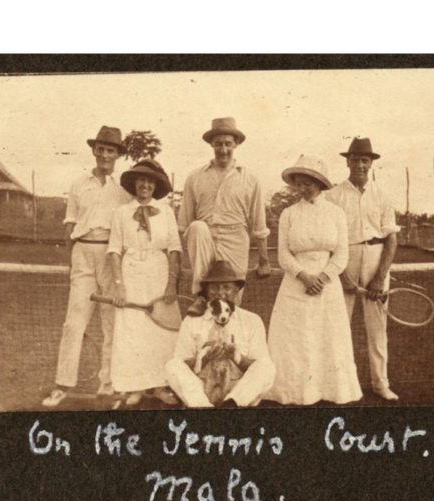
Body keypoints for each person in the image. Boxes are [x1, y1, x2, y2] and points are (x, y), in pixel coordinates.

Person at [43, 126, 132, 407]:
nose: (105, 155)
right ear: (94, 151)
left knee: (111, 322)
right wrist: (72, 261)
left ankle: (108, 384)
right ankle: (62, 384)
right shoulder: (78, 184)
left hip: (110, 256)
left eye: (111, 150)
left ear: (118, 155)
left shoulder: (123, 192)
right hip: (82, 254)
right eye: (101, 149)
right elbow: (70, 224)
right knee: (74, 322)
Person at [264, 155, 362, 405]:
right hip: (295, 283)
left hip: (327, 285)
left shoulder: (336, 213)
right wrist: (304, 276)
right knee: (295, 338)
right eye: (298, 183)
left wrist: (324, 276)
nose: (302, 188)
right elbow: (283, 254)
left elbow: (341, 253)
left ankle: (330, 391)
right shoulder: (288, 214)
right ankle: (295, 392)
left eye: (308, 182)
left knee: (327, 336)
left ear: (320, 184)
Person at [325, 138, 401, 401]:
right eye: (355, 159)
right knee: (338, 327)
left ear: (371, 163)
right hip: (344, 259)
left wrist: (379, 277)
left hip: (375, 259)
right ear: (348, 161)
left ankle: (380, 384)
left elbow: (391, 238)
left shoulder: (382, 194)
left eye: (364, 160)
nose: (360, 164)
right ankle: (338, 386)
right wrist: (341, 273)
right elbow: (329, 239)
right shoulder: (332, 195)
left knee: (377, 329)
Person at [106, 159, 182, 406]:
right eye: (141, 180)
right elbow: (115, 249)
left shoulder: (167, 212)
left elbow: (174, 248)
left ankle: (161, 385)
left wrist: (172, 284)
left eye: (150, 181)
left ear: (155, 185)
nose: (145, 185)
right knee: (133, 329)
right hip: (131, 274)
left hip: (159, 273)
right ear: (135, 183)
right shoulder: (121, 213)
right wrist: (119, 284)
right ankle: (135, 386)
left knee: (161, 330)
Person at [178, 117, 271, 314]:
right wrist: (176, 266)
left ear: (235, 144)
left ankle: (230, 342)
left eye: (228, 144)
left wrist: (263, 261)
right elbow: (184, 222)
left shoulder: (249, 178)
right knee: (197, 227)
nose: (223, 150)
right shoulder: (195, 176)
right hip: (205, 237)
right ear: (212, 144)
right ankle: (201, 297)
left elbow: (258, 223)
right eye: (218, 144)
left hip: (235, 238)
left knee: (231, 303)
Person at [164, 261, 276, 408]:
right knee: (173, 365)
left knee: (267, 366)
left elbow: (257, 364)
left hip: (238, 387)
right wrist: (205, 358)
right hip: (203, 387)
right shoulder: (192, 320)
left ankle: (231, 405)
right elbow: (184, 362)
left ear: (236, 290)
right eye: (215, 287)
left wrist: (236, 357)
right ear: (207, 291)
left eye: (227, 287)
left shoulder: (251, 320)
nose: (221, 293)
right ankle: (203, 406)